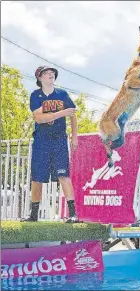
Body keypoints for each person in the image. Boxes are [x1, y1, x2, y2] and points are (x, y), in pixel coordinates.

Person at [21, 65, 79, 223]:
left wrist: (75, 136)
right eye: (46, 73)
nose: (50, 74)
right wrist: (61, 113)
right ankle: (33, 215)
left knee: (63, 175)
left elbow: (73, 114)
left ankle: (73, 214)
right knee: (37, 177)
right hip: (41, 140)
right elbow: (39, 118)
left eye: (52, 72)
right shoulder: (35, 95)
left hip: (59, 139)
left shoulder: (62, 94)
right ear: (39, 78)